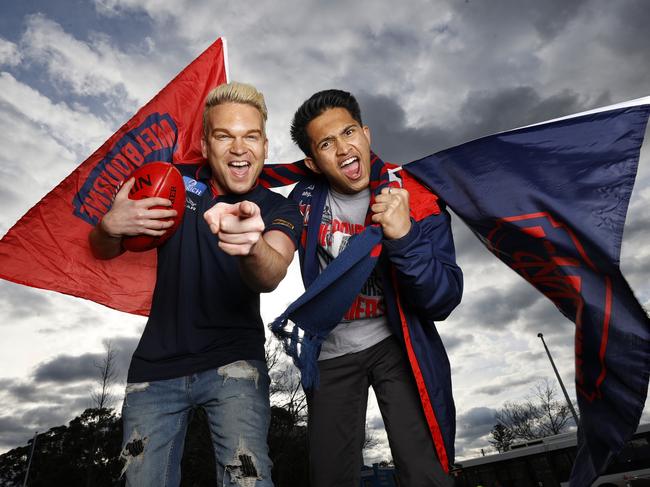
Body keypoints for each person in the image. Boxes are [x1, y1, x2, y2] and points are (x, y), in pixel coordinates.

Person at [89, 82, 302, 486]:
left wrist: (251, 246)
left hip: (236, 363)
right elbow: (103, 250)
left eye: (250, 136)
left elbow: (272, 273)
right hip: (156, 367)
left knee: (249, 481)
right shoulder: (170, 180)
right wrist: (110, 227)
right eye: (224, 136)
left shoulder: (279, 206)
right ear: (205, 145)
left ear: (265, 146)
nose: (239, 148)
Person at [288, 89, 463, 487]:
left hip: (396, 343)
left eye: (349, 132)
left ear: (366, 134)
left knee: (426, 473)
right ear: (314, 163)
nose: (344, 149)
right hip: (331, 351)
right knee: (329, 477)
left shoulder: (416, 196)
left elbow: (444, 298)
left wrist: (404, 238)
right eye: (327, 143)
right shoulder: (302, 201)